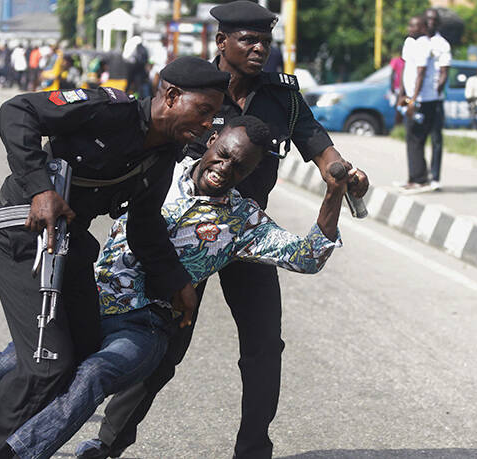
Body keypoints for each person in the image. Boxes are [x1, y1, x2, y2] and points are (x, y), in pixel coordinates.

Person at [78, 2, 369, 459]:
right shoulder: (197, 87)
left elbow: (319, 146)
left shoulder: (284, 98)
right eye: (248, 40)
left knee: (263, 347)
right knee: (165, 345)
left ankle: (253, 449)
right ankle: (108, 444)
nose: (260, 49)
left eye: (265, 42)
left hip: (248, 237)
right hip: (184, 239)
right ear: (221, 42)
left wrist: (345, 174)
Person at [0, 115, 348, 459]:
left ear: (250, 174)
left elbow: (307, 256)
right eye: (225, 155)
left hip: (144, 327)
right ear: (212, 141)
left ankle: (13, 454)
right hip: (87, 301)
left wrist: (333, 194)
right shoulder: (159, 170)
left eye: (241, 168)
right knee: (9, 362)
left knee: (93, 374)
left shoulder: (243, 222)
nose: (225, 169)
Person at [0, 56, 230, 459]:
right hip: (20, 234)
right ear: (173, 95)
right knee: (47, 364)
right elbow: (17, 111)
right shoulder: (108, 110)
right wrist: (41, 187)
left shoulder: (163, 154)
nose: (206, 125)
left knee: (81, 352)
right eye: (203, 112)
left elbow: (145, 228)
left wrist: (178, 282)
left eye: (213, 116)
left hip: (65, 246)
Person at [397, 15, 433, 193]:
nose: (410, 28)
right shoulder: (409, 43)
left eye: (415, 26)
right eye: (409, 25)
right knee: (410, 137)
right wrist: (402, 94)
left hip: (422, 100)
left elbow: (421, 73)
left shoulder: (425, 44)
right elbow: (405, 69)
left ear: (423, 28)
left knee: (417, 138)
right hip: (409, 96)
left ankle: (421, 179)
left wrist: (414, 100)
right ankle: (412, 178)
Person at [423, 8, 451, 191]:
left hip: (435, 99)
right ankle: (419, 176)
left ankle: (435, 176)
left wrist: (437, 90)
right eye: (428, 19)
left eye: (434, 20)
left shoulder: (443, 45)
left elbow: (444, 72)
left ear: (438, 23)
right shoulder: (418, 41)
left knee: (436, 138)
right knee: (417, 140)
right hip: (420, 98)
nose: (431, 22)